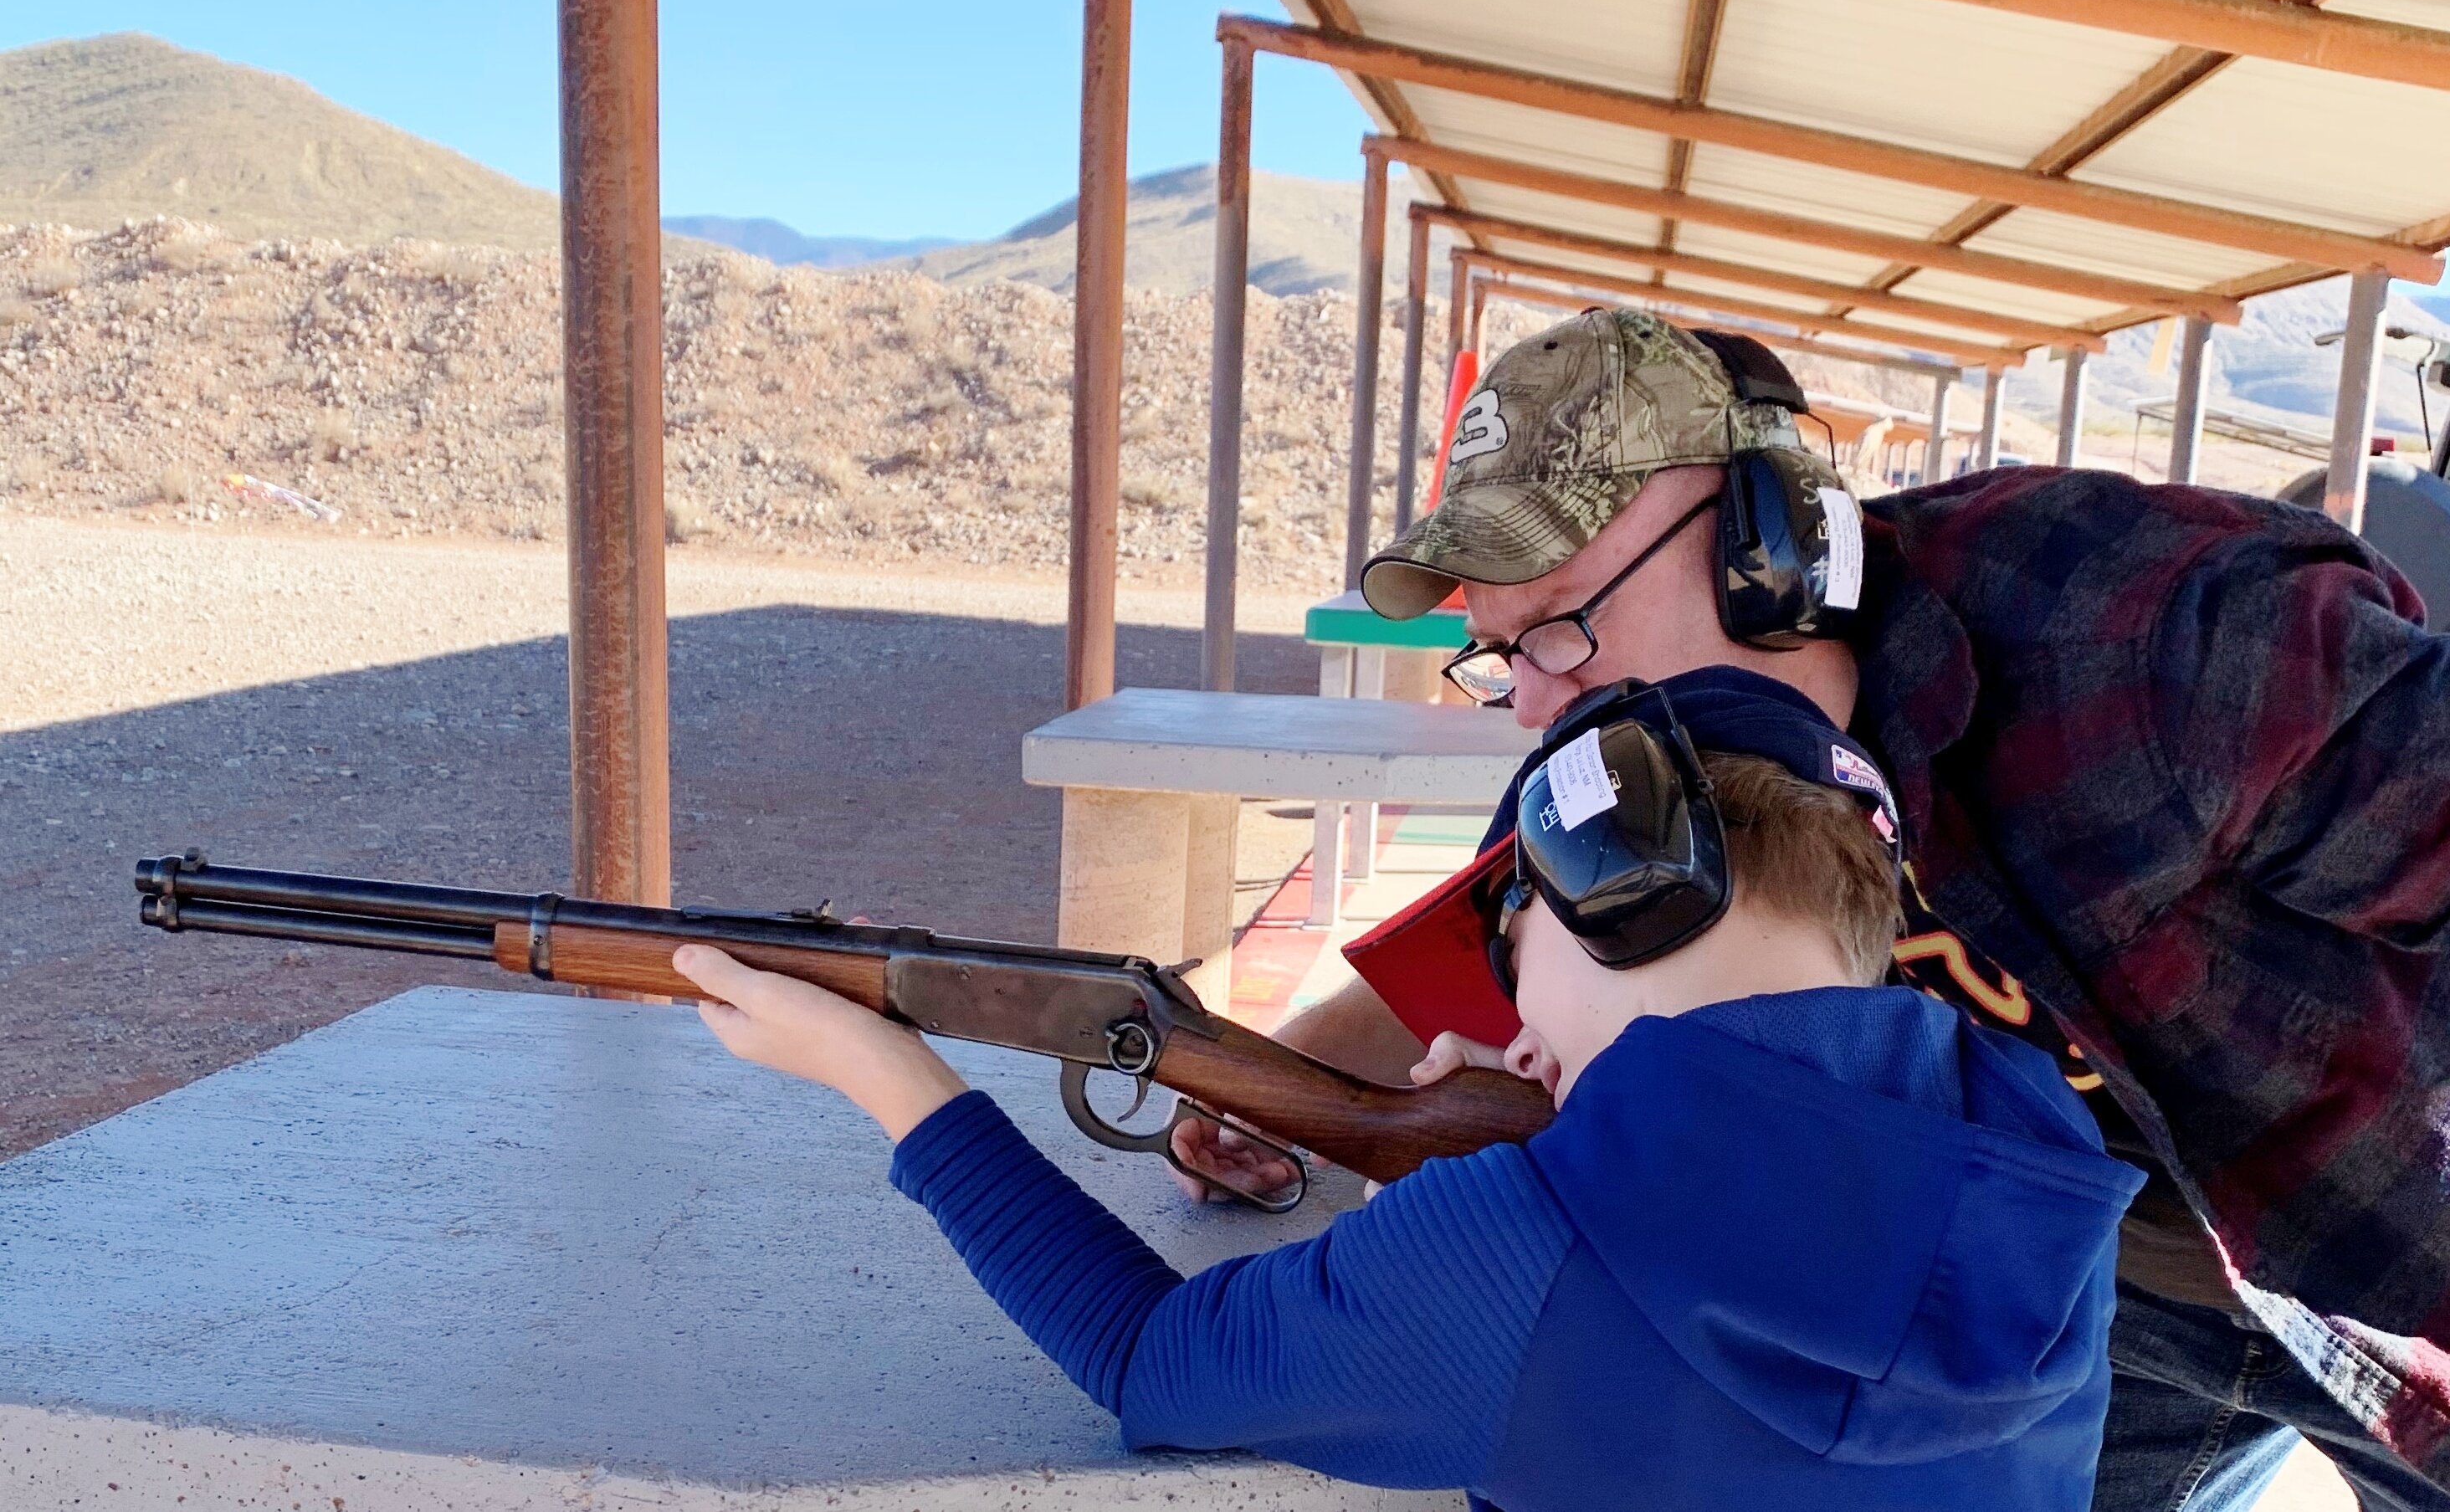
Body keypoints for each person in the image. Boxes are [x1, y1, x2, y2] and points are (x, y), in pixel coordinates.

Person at [1181, 306, 2450, 1509]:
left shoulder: (2155, 635)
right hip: (2054, 1291)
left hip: (2388, 1260)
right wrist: (1269, 1081)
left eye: (1559, 628)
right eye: (1502, 655)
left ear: (1768, 547)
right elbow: (1484, 953)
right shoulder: (1643, 752)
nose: (1529, 703)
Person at [674, 667, 2140, 1511]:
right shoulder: (2041, 1167)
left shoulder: (1525, 1240)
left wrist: (882, 1068)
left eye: (1513, 941)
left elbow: (1148, 1359)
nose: (1506, 1009)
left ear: (1610, 897)